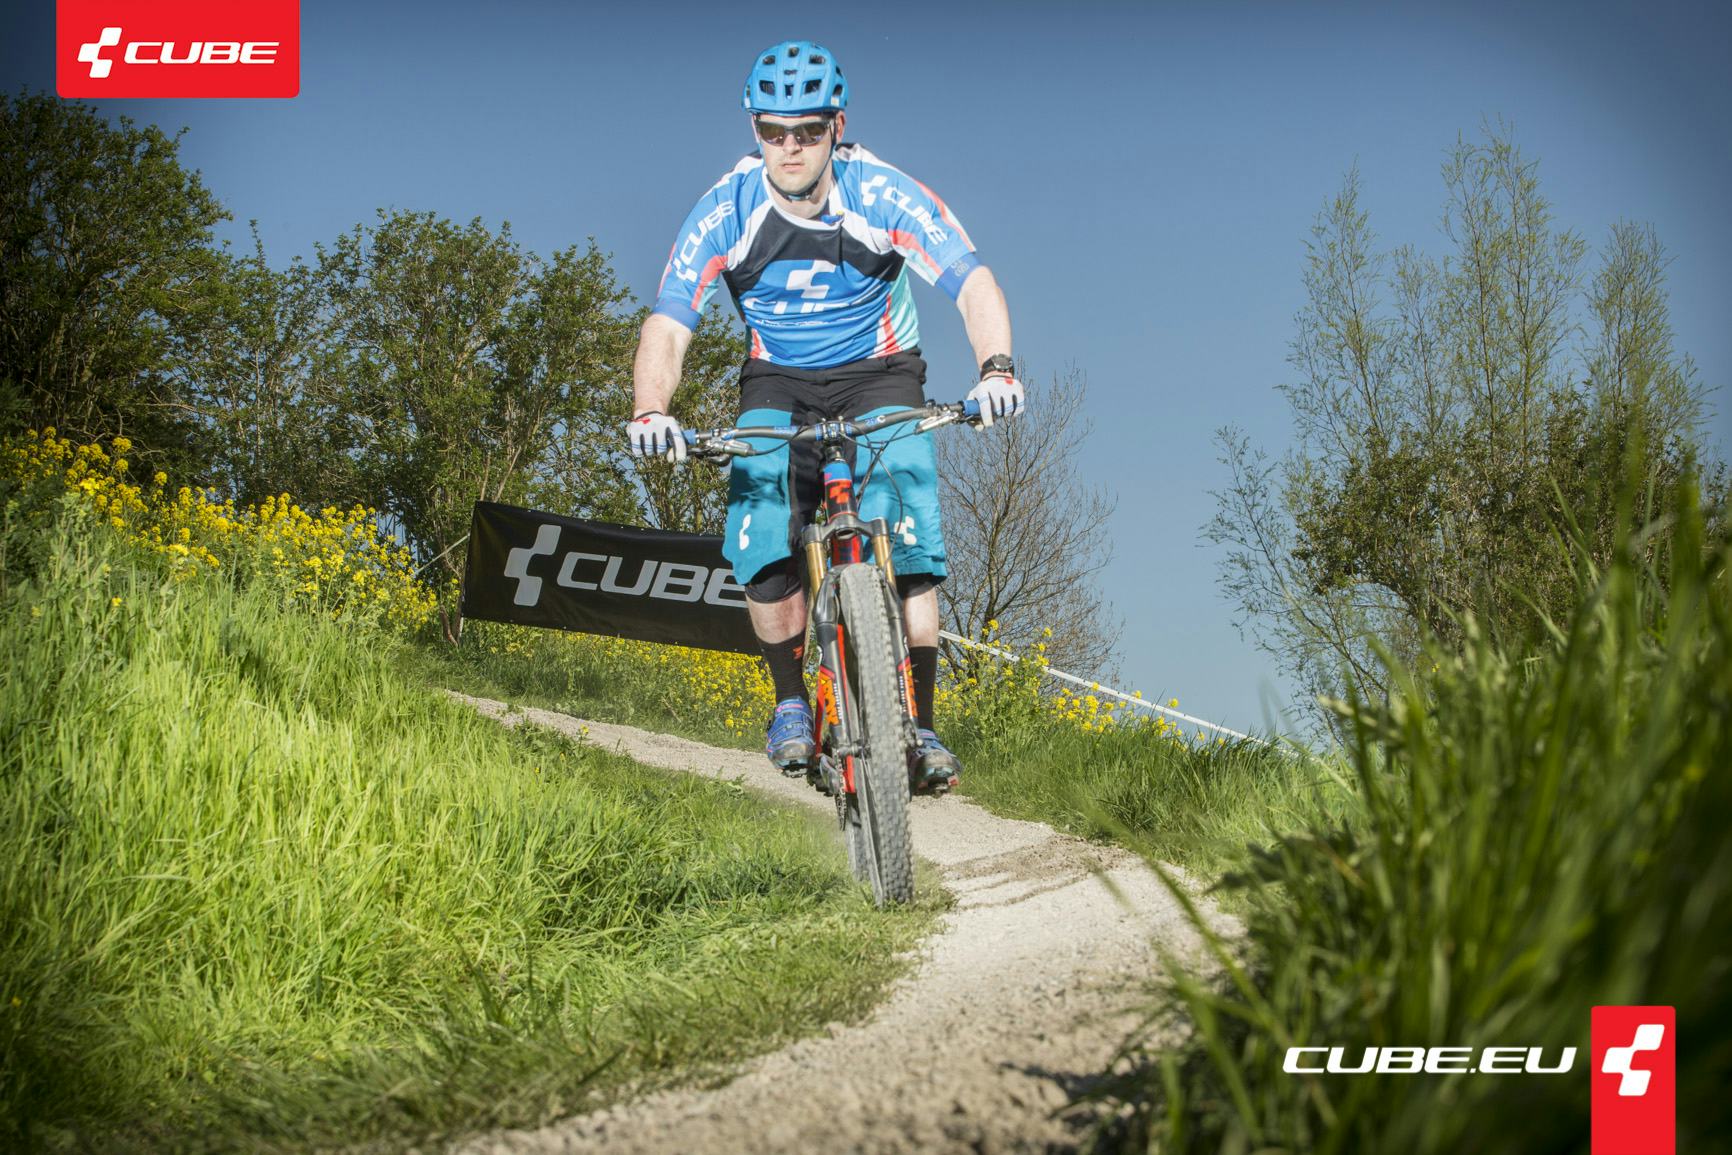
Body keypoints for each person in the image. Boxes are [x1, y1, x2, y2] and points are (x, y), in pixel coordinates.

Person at [625, 39, 1023, 790]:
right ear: (755, 131)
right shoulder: (725, 210)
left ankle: (922, 723)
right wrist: (652, 409)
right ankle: (789, 704)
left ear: (837, 125)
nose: (790, 148)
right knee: (758, 518)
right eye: (774, 132)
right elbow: (669, 324)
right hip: (778, 378)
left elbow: (972, 283)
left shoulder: (882, 192)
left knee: (907, 522)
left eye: (807, 131)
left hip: (880, 372)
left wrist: (997, 368)